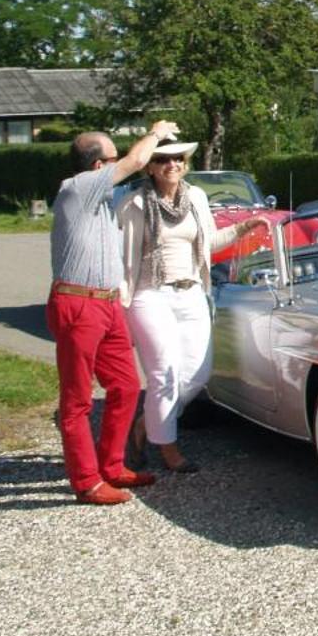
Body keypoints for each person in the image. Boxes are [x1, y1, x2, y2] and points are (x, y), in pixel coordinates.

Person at [46, 120, 180, 505]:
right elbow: (137, 160)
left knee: (124, 386)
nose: (119, 162)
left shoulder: (100, 199)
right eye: (112, 157)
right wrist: (156, 133)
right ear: (96, 166)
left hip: (105, 303)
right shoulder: (78, 188)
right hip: (78, 301)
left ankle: (112, 465)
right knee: (77, 400)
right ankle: (86, 482)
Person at [117, 141, 249, 473]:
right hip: (150, 293)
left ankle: (144, 427)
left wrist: (245, 228)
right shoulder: (133, 203)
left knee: (197, 372)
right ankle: (169, 449)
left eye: (178, 158)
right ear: (149, 166)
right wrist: (119, 302)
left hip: (191, 291)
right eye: (162, 159)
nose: (172, 164)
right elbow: (122, 260)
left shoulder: (197, 199)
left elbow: (210, 242)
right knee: (164, 372)